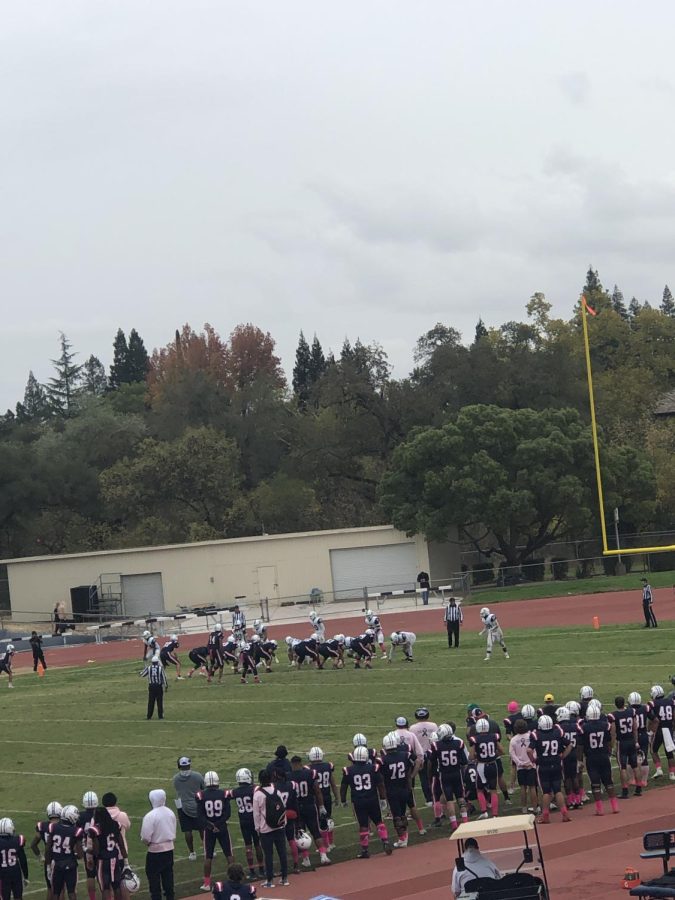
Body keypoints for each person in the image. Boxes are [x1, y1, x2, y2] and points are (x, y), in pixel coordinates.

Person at [340, 745, 392, 859]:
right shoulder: (373, 768)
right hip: (372, 798)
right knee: (379, 821)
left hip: (358, 801)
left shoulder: (348, 770)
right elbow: (380, 785)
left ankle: (365, 850)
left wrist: (343, 800)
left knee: (363, 825)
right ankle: (385, 840)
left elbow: (343, 787)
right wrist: (383, 799)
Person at [527, 716, 571, 824]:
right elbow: (570, 744)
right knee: (558, 790)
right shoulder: (557, 732)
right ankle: (565, 814)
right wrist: (562, 756)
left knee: (546, 792)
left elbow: (529, 750)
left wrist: (534, 761)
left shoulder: (536, 735)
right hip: (556, 764)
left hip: (543, 766)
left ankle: (545, 816)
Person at [196, 771, 234, 892]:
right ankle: (234, 880)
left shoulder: (201, 795)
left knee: (208, 857)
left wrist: (211, 825)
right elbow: (227, 814)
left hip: (209, 829)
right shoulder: (224, 794)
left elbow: (200, 815)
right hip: (222, 827)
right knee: (229, 854)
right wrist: (218, 824)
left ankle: (207, 883)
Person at [253, 769, 289, 889]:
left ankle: (270, 880)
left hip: (265, 829)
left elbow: (256, 814)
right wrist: (283, 822)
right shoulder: (276, 791)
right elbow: (282, 808)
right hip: (279, 827)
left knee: (268, 855)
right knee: (282, 853)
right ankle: (284, 878)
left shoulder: (257, 794)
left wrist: (257, 828)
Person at [140, 790, 176, 900]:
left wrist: (148, 843)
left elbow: (145, 837)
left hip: (155, 852)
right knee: (168, 878)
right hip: (169, 850)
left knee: (154, 881)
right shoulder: (170, 812)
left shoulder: (150, 816)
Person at [231, 769, 265, 881]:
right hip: (254, 819)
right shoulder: (254, 789)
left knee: (248, 846)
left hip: (243, 820)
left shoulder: (235, 792)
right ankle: (261, 869)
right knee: (257, 844)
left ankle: (251, 870)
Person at [85, 807, 125, 900]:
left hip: (103, 860)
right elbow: (121, 843)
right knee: (116, 886)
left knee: (105, 887)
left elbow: (96, 850)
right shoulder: (115, 824)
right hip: (115, 858)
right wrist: (125, 859)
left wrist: (88, 851)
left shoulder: (95, 829)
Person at [47, 805, 84, 900]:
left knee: (56, 893)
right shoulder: (77, 831)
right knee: (71, 892)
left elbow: (48, 848)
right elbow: (80, 855)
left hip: (56, 863)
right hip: (70, 863)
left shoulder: (53, 827)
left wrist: (48, 865)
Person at [172, 757, 204, 860]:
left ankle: (192, 853)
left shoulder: (176, 778)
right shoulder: (197, 776)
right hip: (197, 804)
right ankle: (206, 849)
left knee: (187, 830)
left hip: (183, 805)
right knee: (202, 828)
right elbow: (203, 788)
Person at [31, 800, 62, 900]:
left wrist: (41, 857)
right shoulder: (63, 826)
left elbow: (33, 845)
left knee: (50, 889)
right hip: (61, 858)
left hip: (48, 860)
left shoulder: (42, 826)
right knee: (61, 890)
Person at [509, 719, 538, 814]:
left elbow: (512, 754)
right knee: (532, 787)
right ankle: (535, 808)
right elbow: (535, 750)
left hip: (521, 767)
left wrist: (520, 763)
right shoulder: (531, 736)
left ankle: (524, 808)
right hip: (531, 765)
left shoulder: (513, 739)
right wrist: (532, 761)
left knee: (523, 788)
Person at [410, 707, 438, 806]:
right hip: (433, 753)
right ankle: (436, 796)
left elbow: (412, 744)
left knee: (423, 778)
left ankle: (429, 799)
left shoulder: (413, 728)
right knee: (434, 775)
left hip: (421, 755)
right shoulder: (433, 725)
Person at [0, 817, 29, 900]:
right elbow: (23, 860)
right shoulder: (18, 840)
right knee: (18, 897)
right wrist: (26, 876)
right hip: (16, 874)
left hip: (2, 875)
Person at [140, 654, 168, 720]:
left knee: (151, 701)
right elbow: (164, 678)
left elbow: (142, 674)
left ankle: (149, 716)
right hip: (158, 686)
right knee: (159, 701)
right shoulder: (160, 668)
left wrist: (143, 670)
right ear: (157, 662)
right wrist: (166, 686)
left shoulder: (149, 668)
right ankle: (160, 716)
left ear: (152, 662)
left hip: (151, 686)